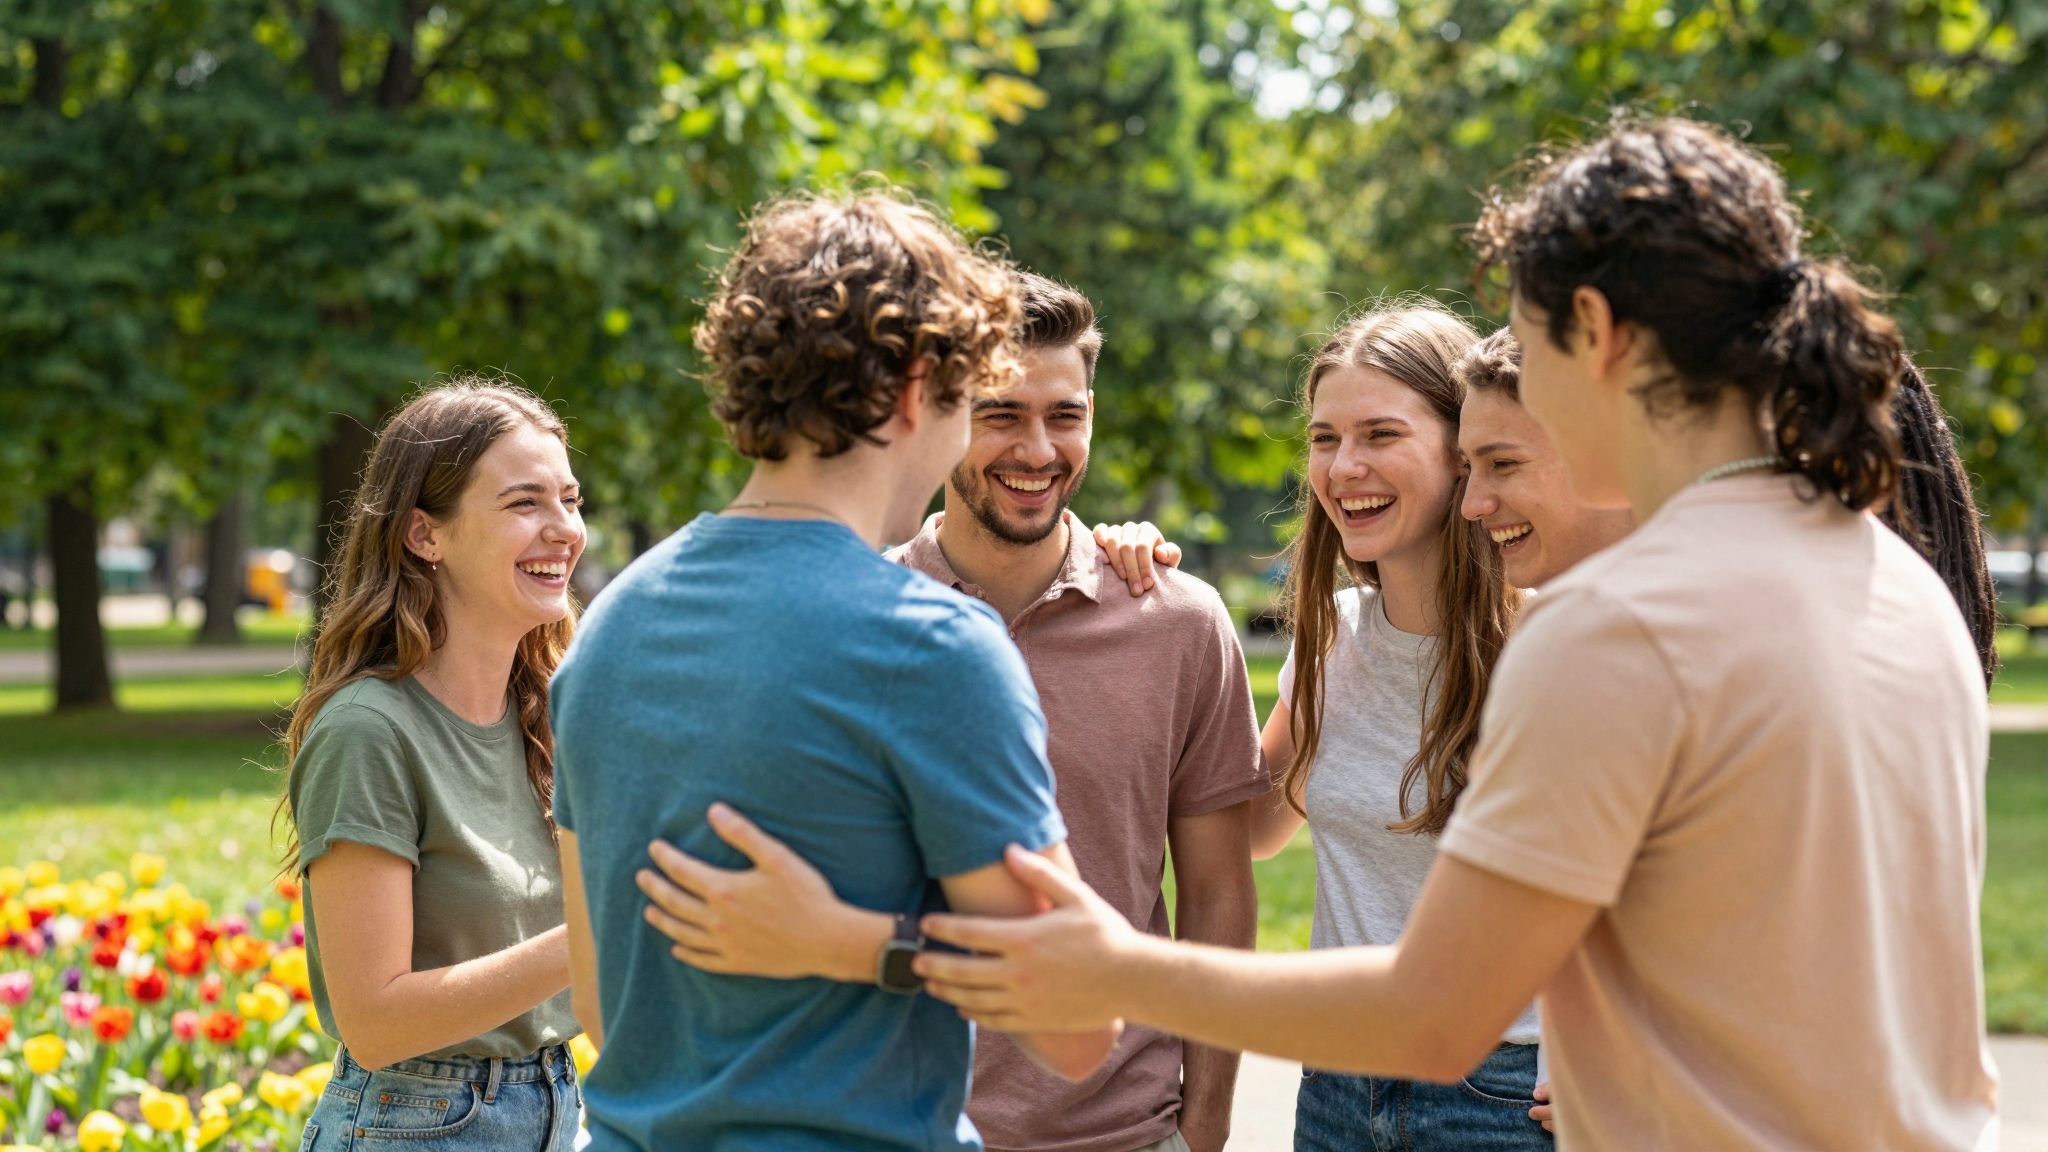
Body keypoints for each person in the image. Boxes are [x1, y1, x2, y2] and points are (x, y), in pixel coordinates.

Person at [910, 115, 1999, 1152]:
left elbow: (1432, 1017)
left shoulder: (1618, 626)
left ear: (1597, 337)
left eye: (1525, 346)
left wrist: (1110, 969)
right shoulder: (1891, 580)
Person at [632, 271, 1266, 1152]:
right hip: (896, 1126)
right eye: (1001, 414)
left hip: (1124, 1131)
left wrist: (1204, 1127)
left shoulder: (1180, 622)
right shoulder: (859, 612)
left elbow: (1218, 893)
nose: (1038, 450)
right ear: (936, 412)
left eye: (1066, 414)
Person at [548, 191, 1117, 1152]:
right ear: (912, 391)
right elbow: (1076, 1024)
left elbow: (604, 1006)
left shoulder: (606, 630)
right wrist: (883, 951)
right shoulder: (931, 646)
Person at [284, 379, 587, 1150]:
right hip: (420, 1124)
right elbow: (377, 1022)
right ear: (425, 535)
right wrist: (596, 930)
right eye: (525, 504)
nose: (564, 531)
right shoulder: (367, 731)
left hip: (554, 1103)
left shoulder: (551, 713)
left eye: (571, 500)